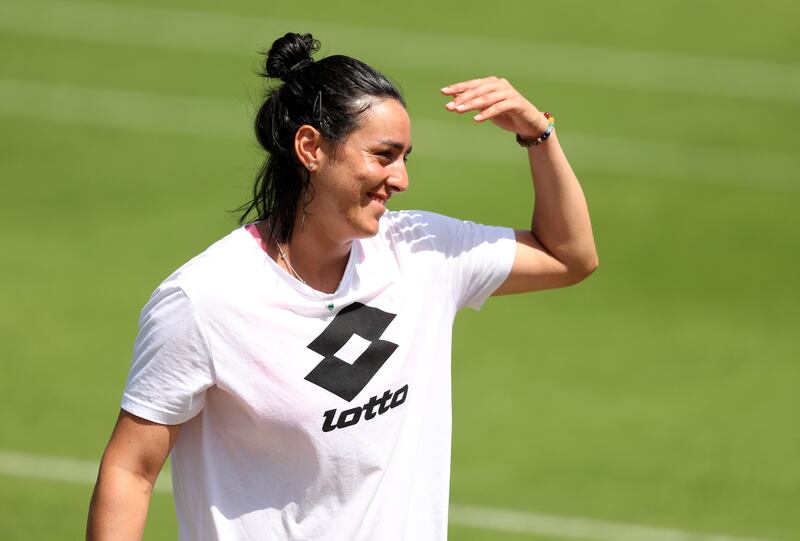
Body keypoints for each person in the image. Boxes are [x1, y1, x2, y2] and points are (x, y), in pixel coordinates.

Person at [86, 32, 597, 540]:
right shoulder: (205, 300)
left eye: (405, 158)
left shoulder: (422, 251)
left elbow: (569, 256)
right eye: (384, 154)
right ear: (310, 148)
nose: (401, 179)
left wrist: (538, 134)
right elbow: (131, 470)